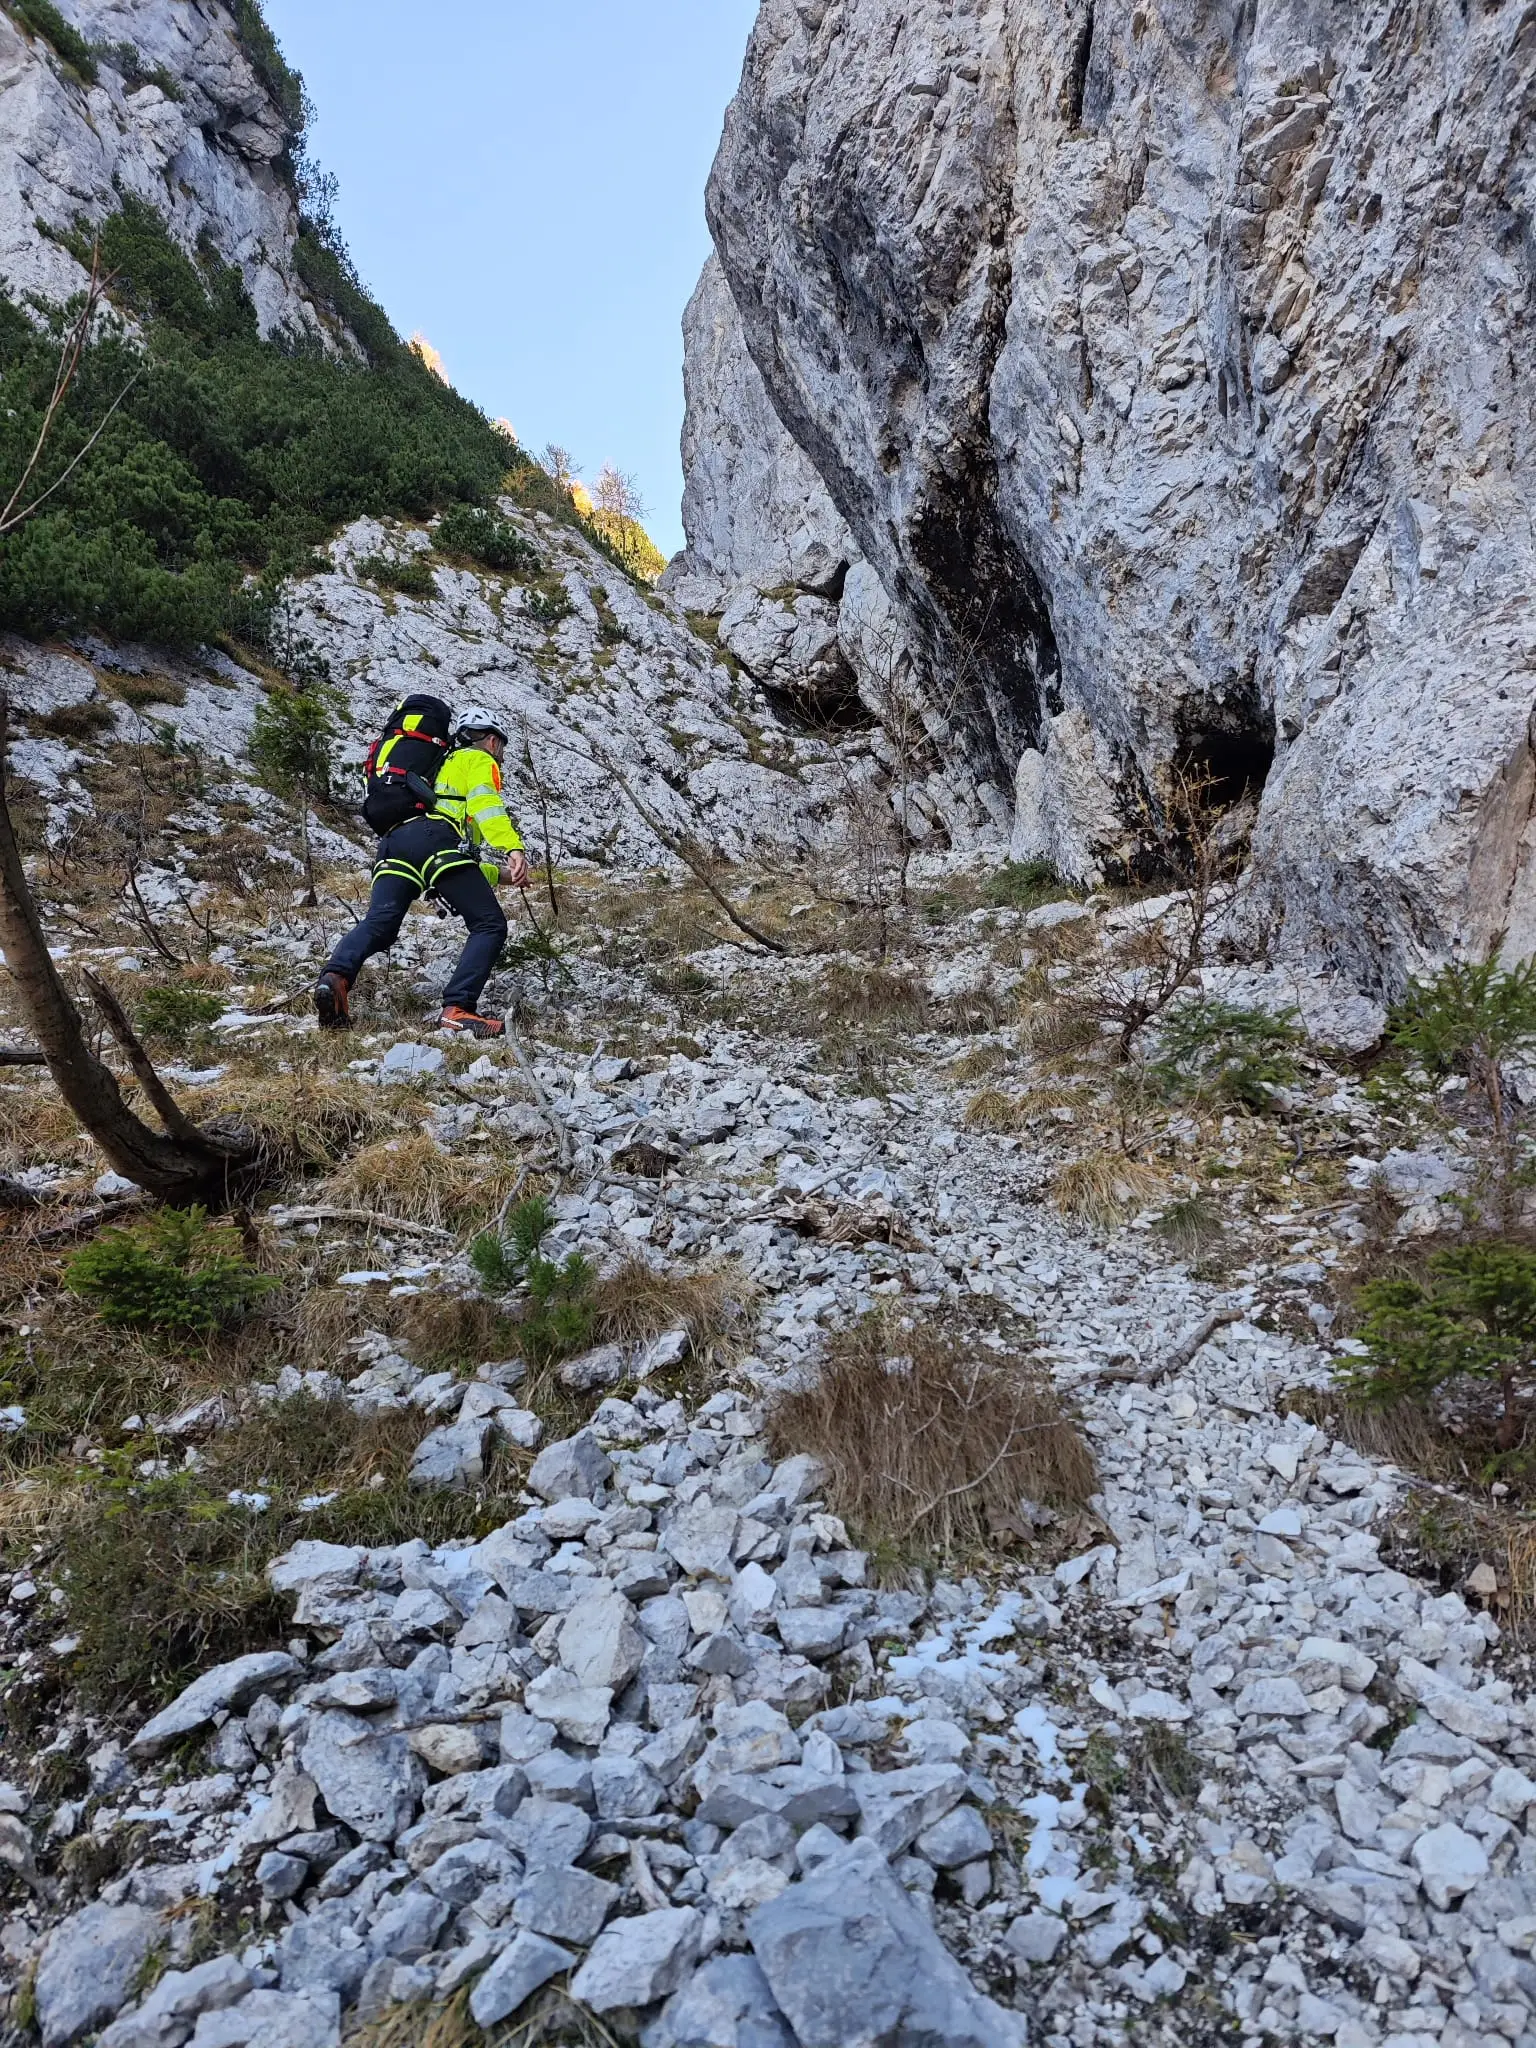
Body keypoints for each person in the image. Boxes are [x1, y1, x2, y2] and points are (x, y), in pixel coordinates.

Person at [315, 705, 530, 1040]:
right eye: (501, 746)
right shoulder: (477, 760)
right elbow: (485, 805)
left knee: (381, 925)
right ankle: (458, 1009)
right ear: (491, 741)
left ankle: (336, 978)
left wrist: (499, 874)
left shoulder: (436, 765)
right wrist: (513, 848)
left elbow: (454, 863)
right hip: (433, 839)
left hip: (393, 843)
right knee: (489, 924)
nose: (501, 754)